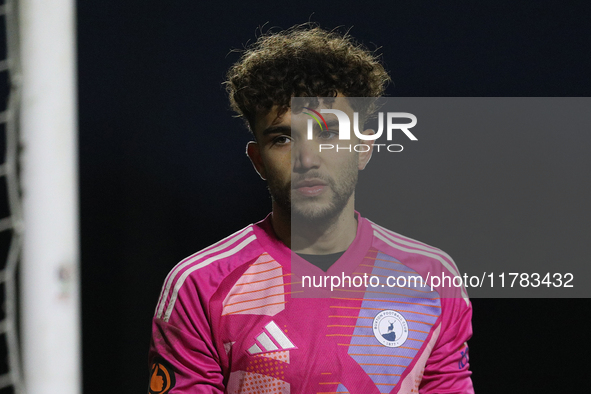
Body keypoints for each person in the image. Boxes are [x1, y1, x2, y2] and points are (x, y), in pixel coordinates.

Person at [148, 24, 473, 394]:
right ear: (257, 160)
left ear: (364, 148)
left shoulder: (432, 279)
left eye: (329, 133)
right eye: (283, 138)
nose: (307, 158)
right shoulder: (200, 285)